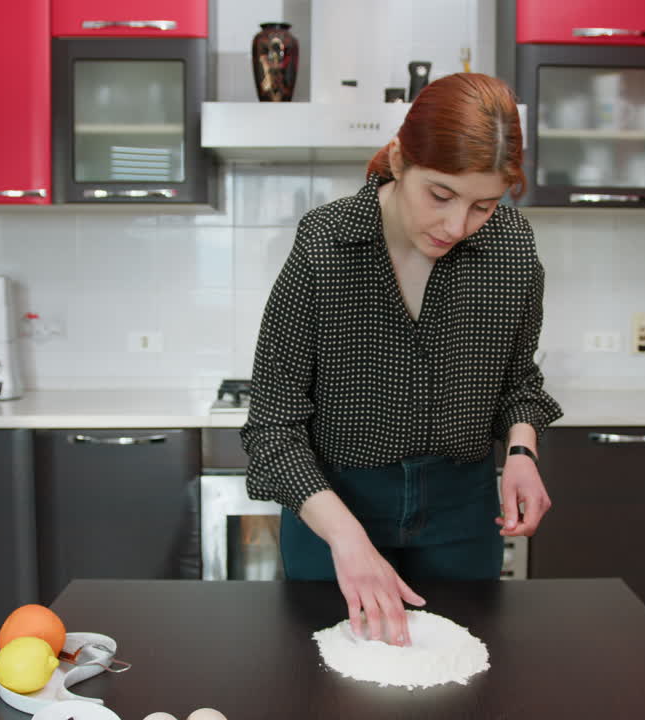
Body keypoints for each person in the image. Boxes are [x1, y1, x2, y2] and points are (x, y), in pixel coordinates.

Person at [240, 73, 563, 647]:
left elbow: (519, 382)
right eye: (440, 195)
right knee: (330, 692)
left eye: (482, 206)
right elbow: (273, 427)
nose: (455, 227)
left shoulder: (511, 250)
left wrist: (521, 451)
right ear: (398, 159)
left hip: (462, 513)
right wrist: (347, 538)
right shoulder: (326, 245)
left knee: (464, 689)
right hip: (335, 507)